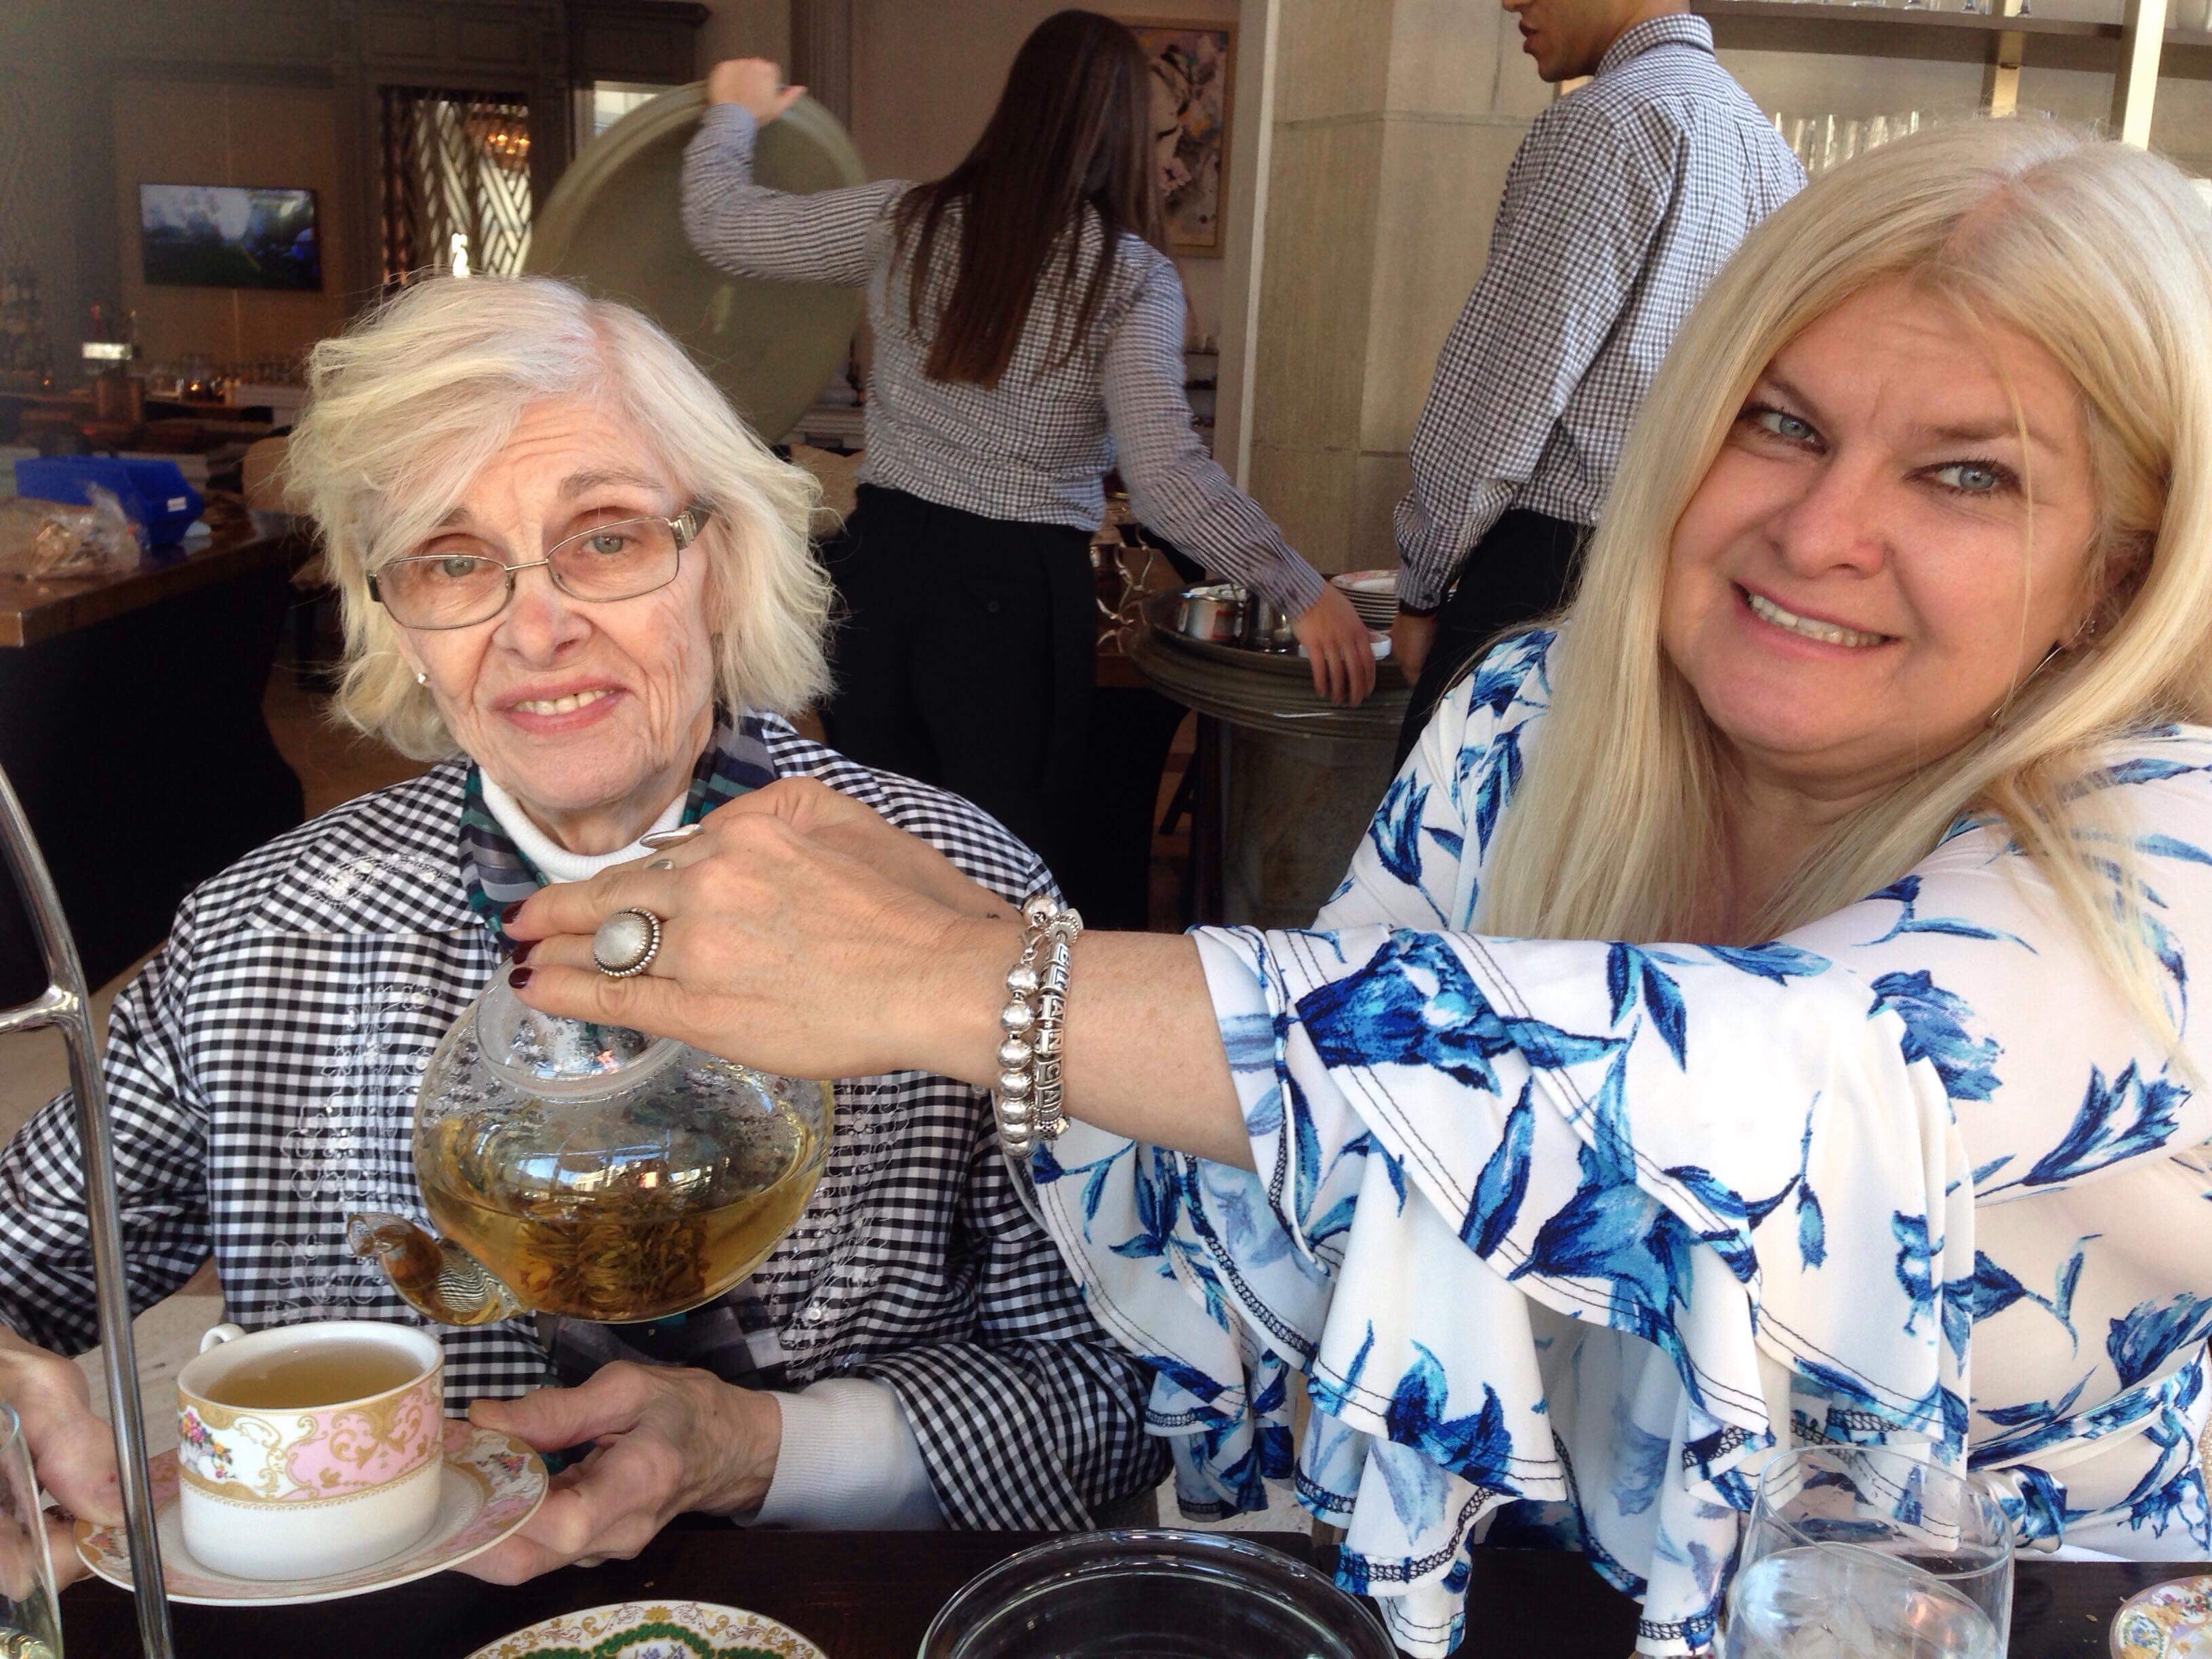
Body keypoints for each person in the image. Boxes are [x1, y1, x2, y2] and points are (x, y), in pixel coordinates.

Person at [503, 123, 2212, 1653]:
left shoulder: (2167, 842)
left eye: (1969, 473)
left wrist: (975, 980)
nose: (1821, 528)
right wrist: (765, 1431)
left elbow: (1786, 1078)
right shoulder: (1529, 720)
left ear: (2117, 570)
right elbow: (1290, 1199)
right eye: (1781, 421)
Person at [0, 274, 1167, 1590]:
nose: (537, 627)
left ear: (721, 561)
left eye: (606, 538)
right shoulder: (261, 936)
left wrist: (764, 1447)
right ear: (396, 616)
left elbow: (1123, 1396)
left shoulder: (956, 892)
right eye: (452, 560)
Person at [680, 12, 1376, 889]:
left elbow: (721, 224)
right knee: (999, 874)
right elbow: (1163, 479)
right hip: (1009, 602)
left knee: (871, 860)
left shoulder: (907, 219)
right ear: (1125, 132)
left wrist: (733, 112)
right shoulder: (1130, 276)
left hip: (877, 575)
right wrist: (1299, 588)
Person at [1389, 0, 1803, 761]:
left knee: (1457, 830)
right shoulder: (1766, 146)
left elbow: (1498, 397)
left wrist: (1423, 586)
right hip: (1683, 580)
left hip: (1547, 577)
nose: (1510, 1)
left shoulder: (1605, 124)